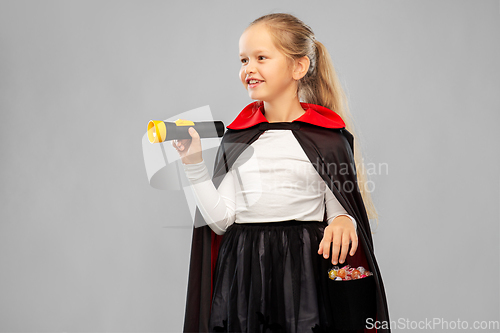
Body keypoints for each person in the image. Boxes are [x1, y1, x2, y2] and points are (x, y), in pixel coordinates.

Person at [173, 13, 390, 333]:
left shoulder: (328, 138)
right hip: (246, 269)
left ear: (298, 67)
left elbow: (340, 206)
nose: (249, 68)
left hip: (305, 268)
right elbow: (220, 220)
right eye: (244, 59)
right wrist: (193, 164)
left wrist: (345, 220)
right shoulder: (238, 137)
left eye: (261, 57)